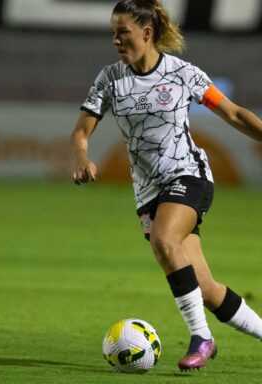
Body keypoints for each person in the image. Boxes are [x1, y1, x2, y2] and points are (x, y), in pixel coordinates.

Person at [71, 0, 262, 372]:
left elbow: (234, 112)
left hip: (189, 176)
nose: (115, 40)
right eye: (112, 32)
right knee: (205, 288)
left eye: (121, 32)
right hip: (148, 193)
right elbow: (82, 131)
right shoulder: (109, 79)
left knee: (163, 239)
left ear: (146, 32)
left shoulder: (182, 74)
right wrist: (82, 156)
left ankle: (201, 337)